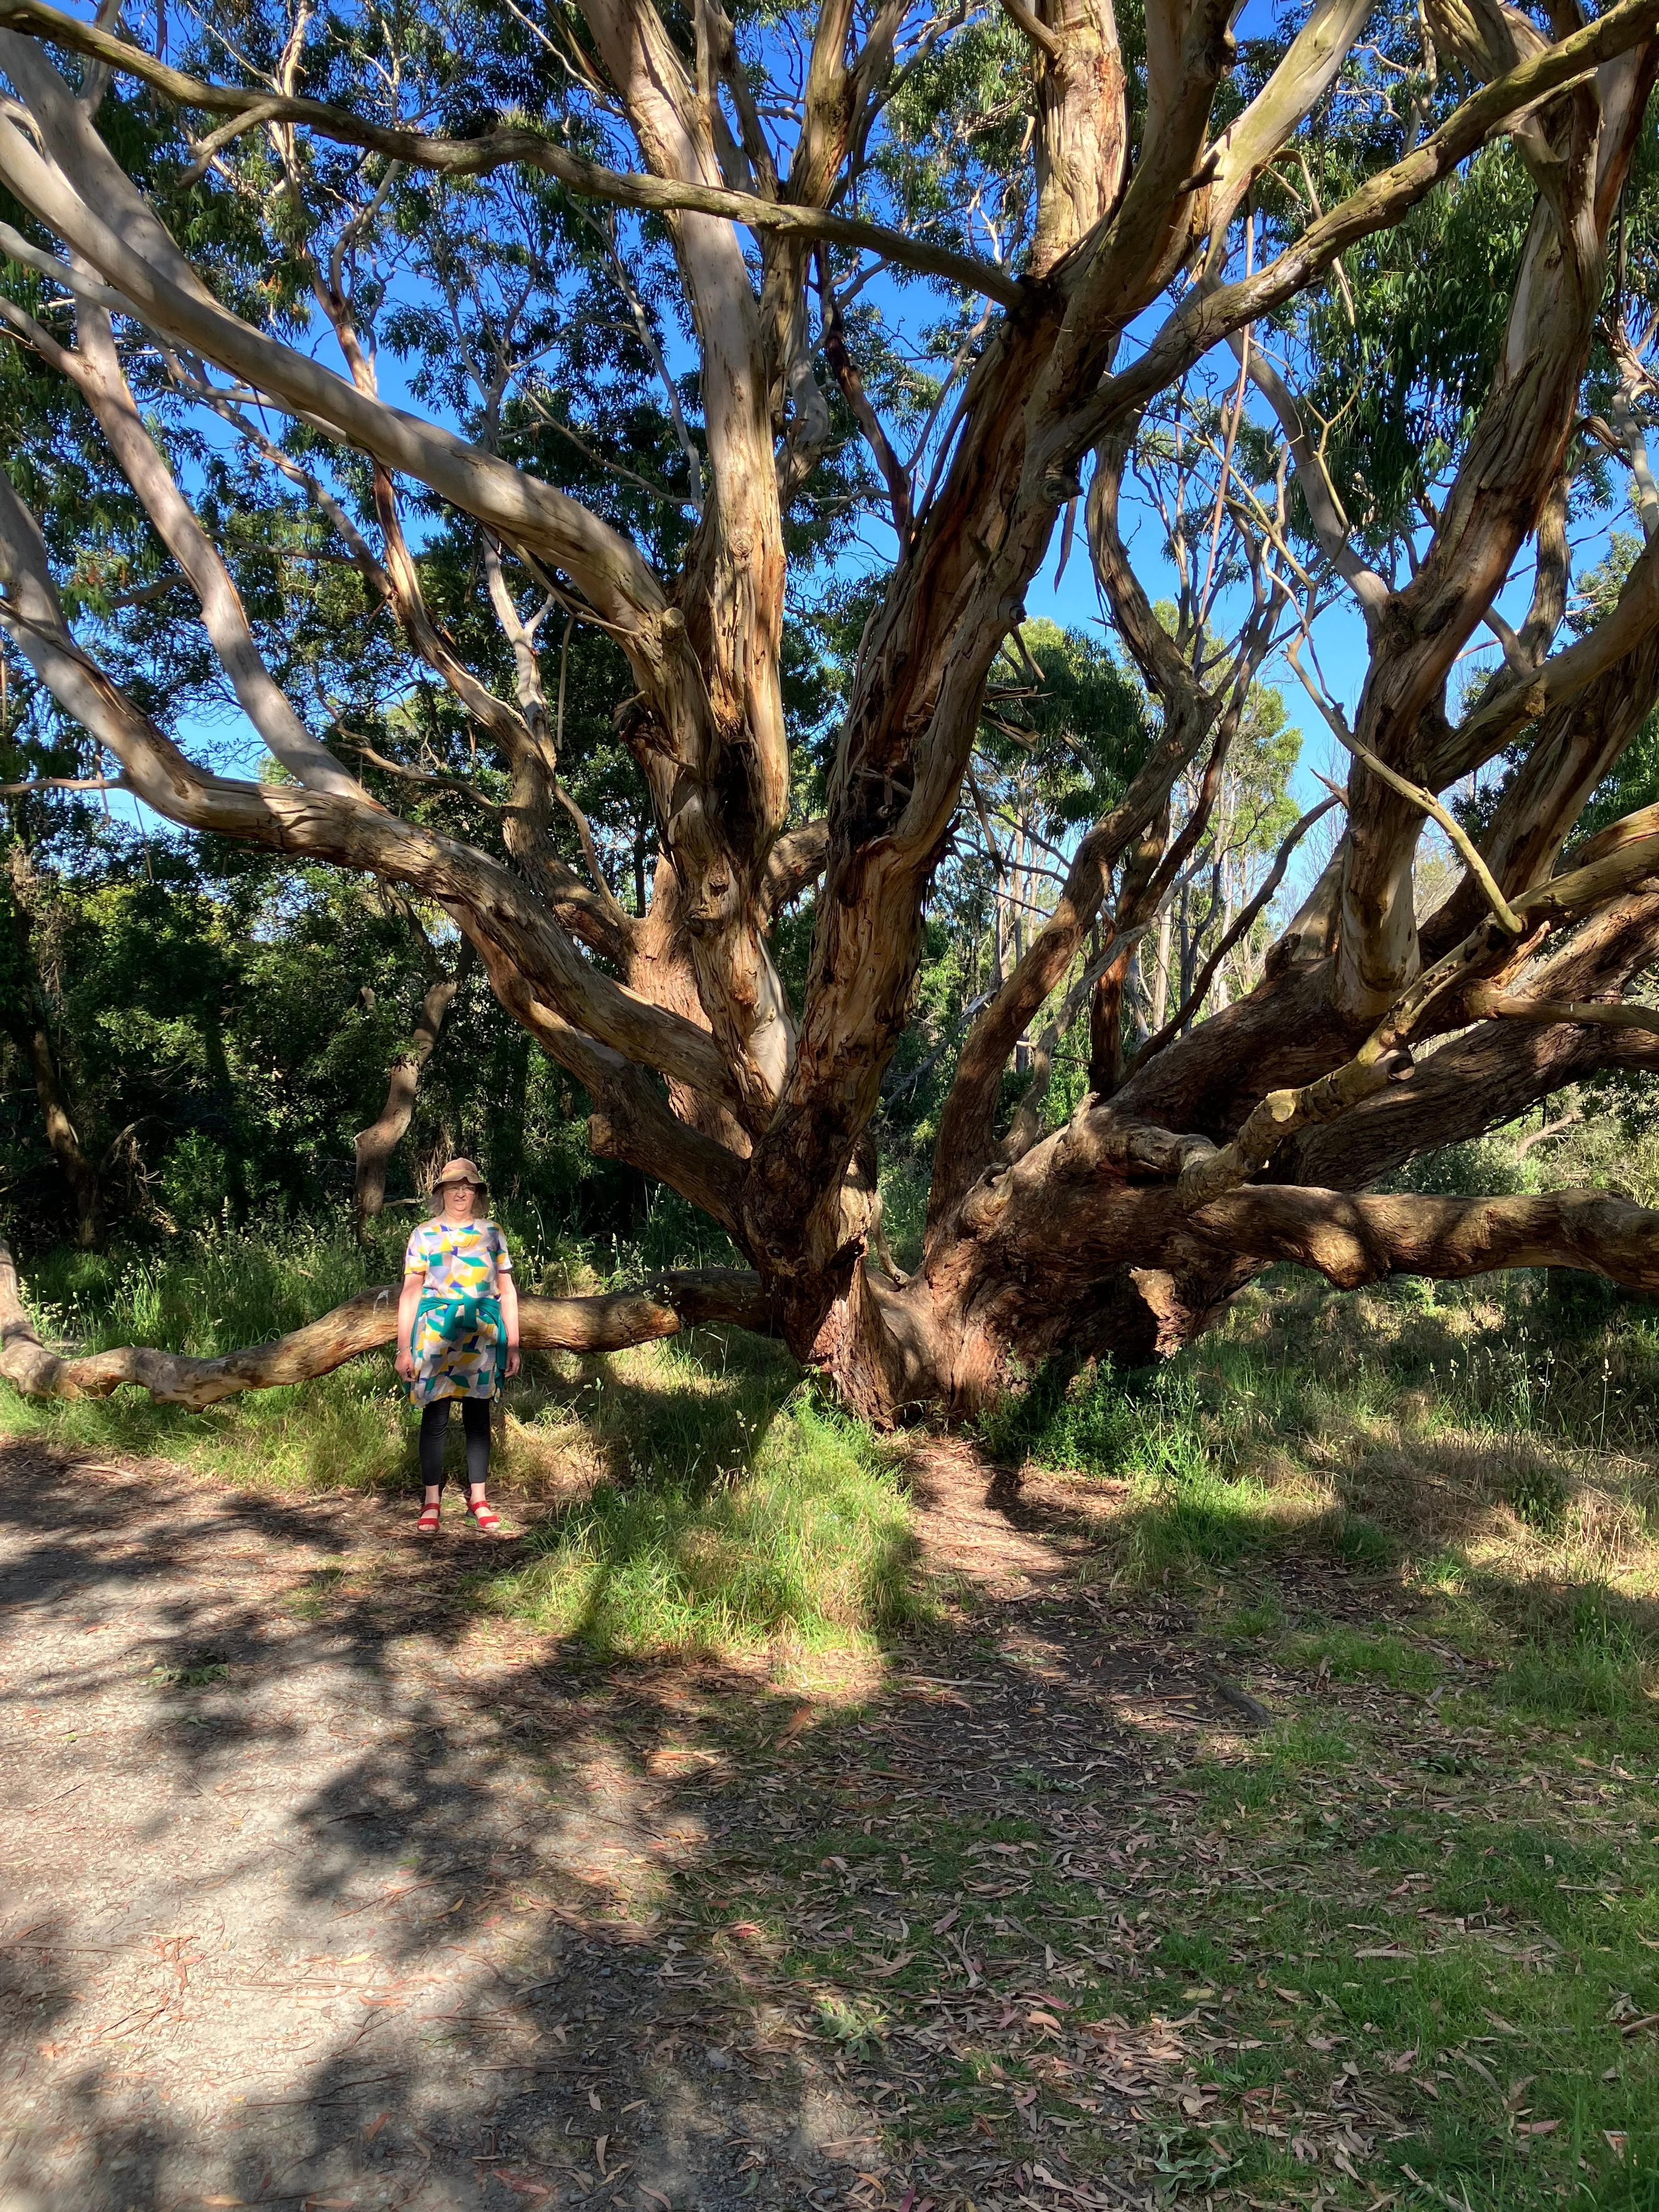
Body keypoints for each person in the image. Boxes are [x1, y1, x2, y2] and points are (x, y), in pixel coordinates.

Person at [395, 1158, 520, 1535]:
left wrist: (513, 1344)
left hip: (482, 1337)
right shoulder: (424, 1235)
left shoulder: (492, 1233)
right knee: (434, 1419)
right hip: (434, 1337)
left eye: (468, 1187)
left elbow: (508, 1291)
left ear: (477, 1193)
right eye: (453, 1187)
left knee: (478, 1419)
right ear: (442, 1193)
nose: (461, 1193)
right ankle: (432, 1501)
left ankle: (478, 1499)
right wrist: (404, 1349)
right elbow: (411, 1293)